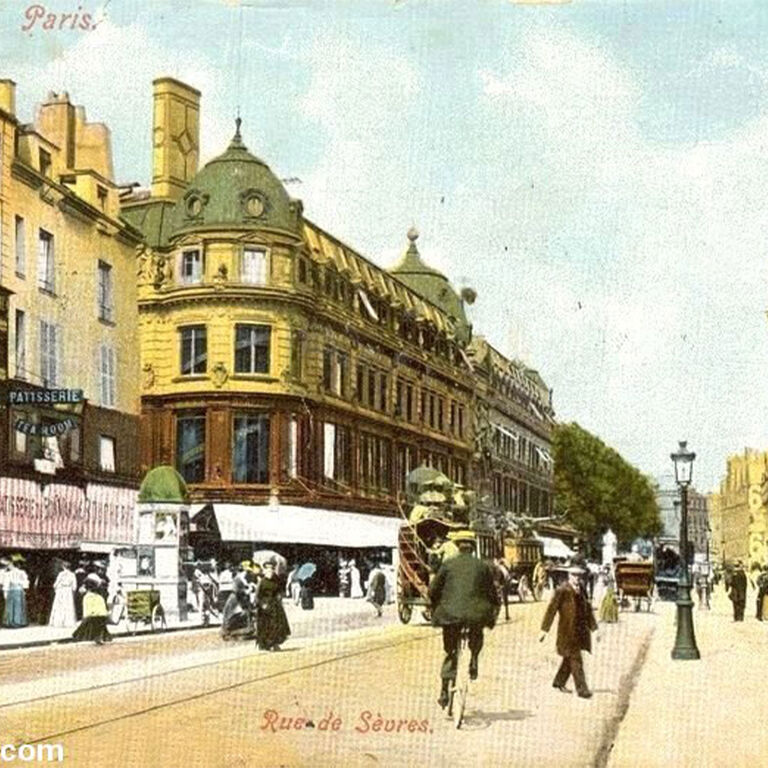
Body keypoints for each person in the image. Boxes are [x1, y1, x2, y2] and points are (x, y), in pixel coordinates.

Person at [428, 530, 500, 709]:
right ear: (473, 547)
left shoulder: (448, 564)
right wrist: (492, 609)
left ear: (457, 546)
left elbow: (433, 590)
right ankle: (474, 658)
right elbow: (492, 593)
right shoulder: (483, 567)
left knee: (450, 651)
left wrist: (435, 604)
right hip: (475, 616)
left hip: (450, 615)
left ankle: (444, 691)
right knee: (477, 631)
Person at [540, 565, 599, 699]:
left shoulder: (582, 589)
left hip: (579, 631)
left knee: (569, 658)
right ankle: (582, 690)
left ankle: (559, 682)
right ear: (569, 576)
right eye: (574, 575)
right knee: (576, 660)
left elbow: (588, 610)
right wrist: (544, 629)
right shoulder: (562, 590)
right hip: (566, 632)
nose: (577, 579)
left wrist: (594, 628)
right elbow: (551, 610)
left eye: (579, 576)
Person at [255, 561, 291, 651]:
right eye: (268, 568)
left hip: (275, 605)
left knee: (277, 624)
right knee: (267, 625)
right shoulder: (262, 582)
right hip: (265, 605)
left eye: (271, 568)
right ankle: (266, 644)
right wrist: (262, 604)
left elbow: (279, 591)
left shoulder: (276, 580)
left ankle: (275, 643)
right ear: (265, 570)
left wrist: (280, 596)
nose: (270, 570)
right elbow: (258, 595)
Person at [72, 575, 112, 644]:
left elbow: (87, 612)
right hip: (100, 617)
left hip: (93, 617)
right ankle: (98, 637)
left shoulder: (88, 597)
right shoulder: (99, 597)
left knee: (89, 622)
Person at [221, 562, 255, 640]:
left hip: (241, 599)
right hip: (236, 599)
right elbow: (237, 591)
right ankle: (230, 632)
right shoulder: (238, 579)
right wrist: (247, 591)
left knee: (247, 612)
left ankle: (246, 629)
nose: (248, 573)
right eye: (247, 571)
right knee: (235, 614)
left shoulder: (243, 579)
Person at [49, 561, 77, 628]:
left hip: (61, 591)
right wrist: (73, 591)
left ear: (63, 567)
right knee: (68, 606)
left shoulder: (61, 574)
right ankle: (68, 622)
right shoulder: (72, 574)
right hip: (68, 591)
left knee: (60, 606)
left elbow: (56, 584)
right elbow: (74, 586)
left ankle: (59, 622)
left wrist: (56, 588)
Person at [3, 558, 29, 628]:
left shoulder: (8, 574)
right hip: (19, 590)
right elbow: (26, 582)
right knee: (19, 606)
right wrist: (24, 588)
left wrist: (5, 592)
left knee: (12, 606)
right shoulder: (22, 572)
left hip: (12, 590)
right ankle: (19, 621)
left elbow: (6, 583)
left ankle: (12, 622)